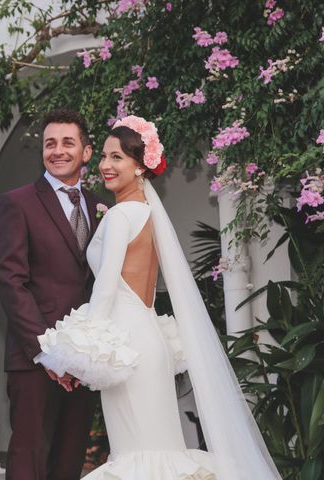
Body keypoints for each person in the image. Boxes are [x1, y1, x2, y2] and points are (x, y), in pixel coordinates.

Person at [36, 116, 282, 479]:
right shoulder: (146, 214)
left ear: (139, 166)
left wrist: (77, 352)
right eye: (104, 156)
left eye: (117, 157)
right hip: (145, 338)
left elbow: (105, 288)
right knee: (160, 454)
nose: (105, 165)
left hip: (126, 347)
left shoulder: (121, 216)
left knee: (141, 458)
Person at [0, 109, 106, 480]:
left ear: (86, 152)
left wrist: (88, 350)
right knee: (30, 461)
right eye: (50, 143)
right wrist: (47, 352)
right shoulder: (18, 202)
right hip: (35, 358)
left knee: (69, 462)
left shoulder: (97, 206)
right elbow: (11, 281)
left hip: (83, 360)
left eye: (67, 142)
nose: (57, 151)